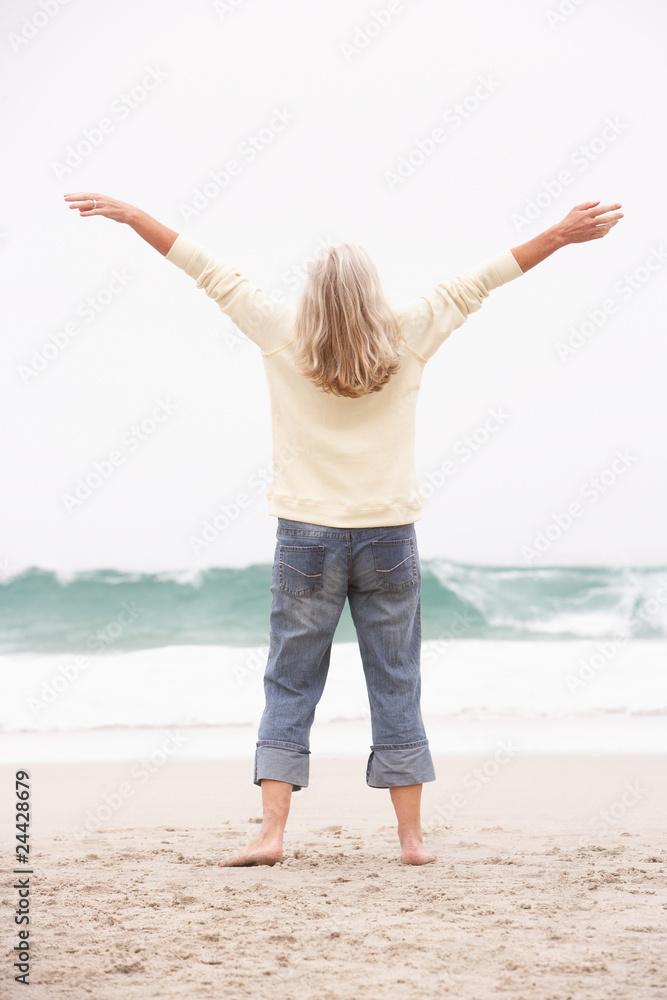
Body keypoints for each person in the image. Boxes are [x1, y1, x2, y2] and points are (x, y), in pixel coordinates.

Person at [63, 192, 623, 866]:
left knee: (290, 682)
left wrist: (132, 217)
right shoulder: (410, 327)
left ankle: (270, 835)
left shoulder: (279, 327)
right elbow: (487, 277)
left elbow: (205, 269)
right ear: (370, 290)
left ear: (314, 293)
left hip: (305, 538)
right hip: (388, 536)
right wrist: (559, 234)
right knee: (396, 681)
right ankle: (411, 841)